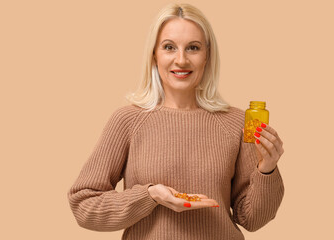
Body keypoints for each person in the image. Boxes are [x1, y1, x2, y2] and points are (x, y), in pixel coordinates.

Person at [67, 3, 285, 239]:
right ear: (154, 55)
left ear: (207, 56)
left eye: (193, 48)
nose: (181, 60)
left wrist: (267, 169)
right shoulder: (127, 121)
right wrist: (151, 196)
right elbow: (84, 205)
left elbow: (251, 219)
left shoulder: (236, 123)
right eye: (169, 47)